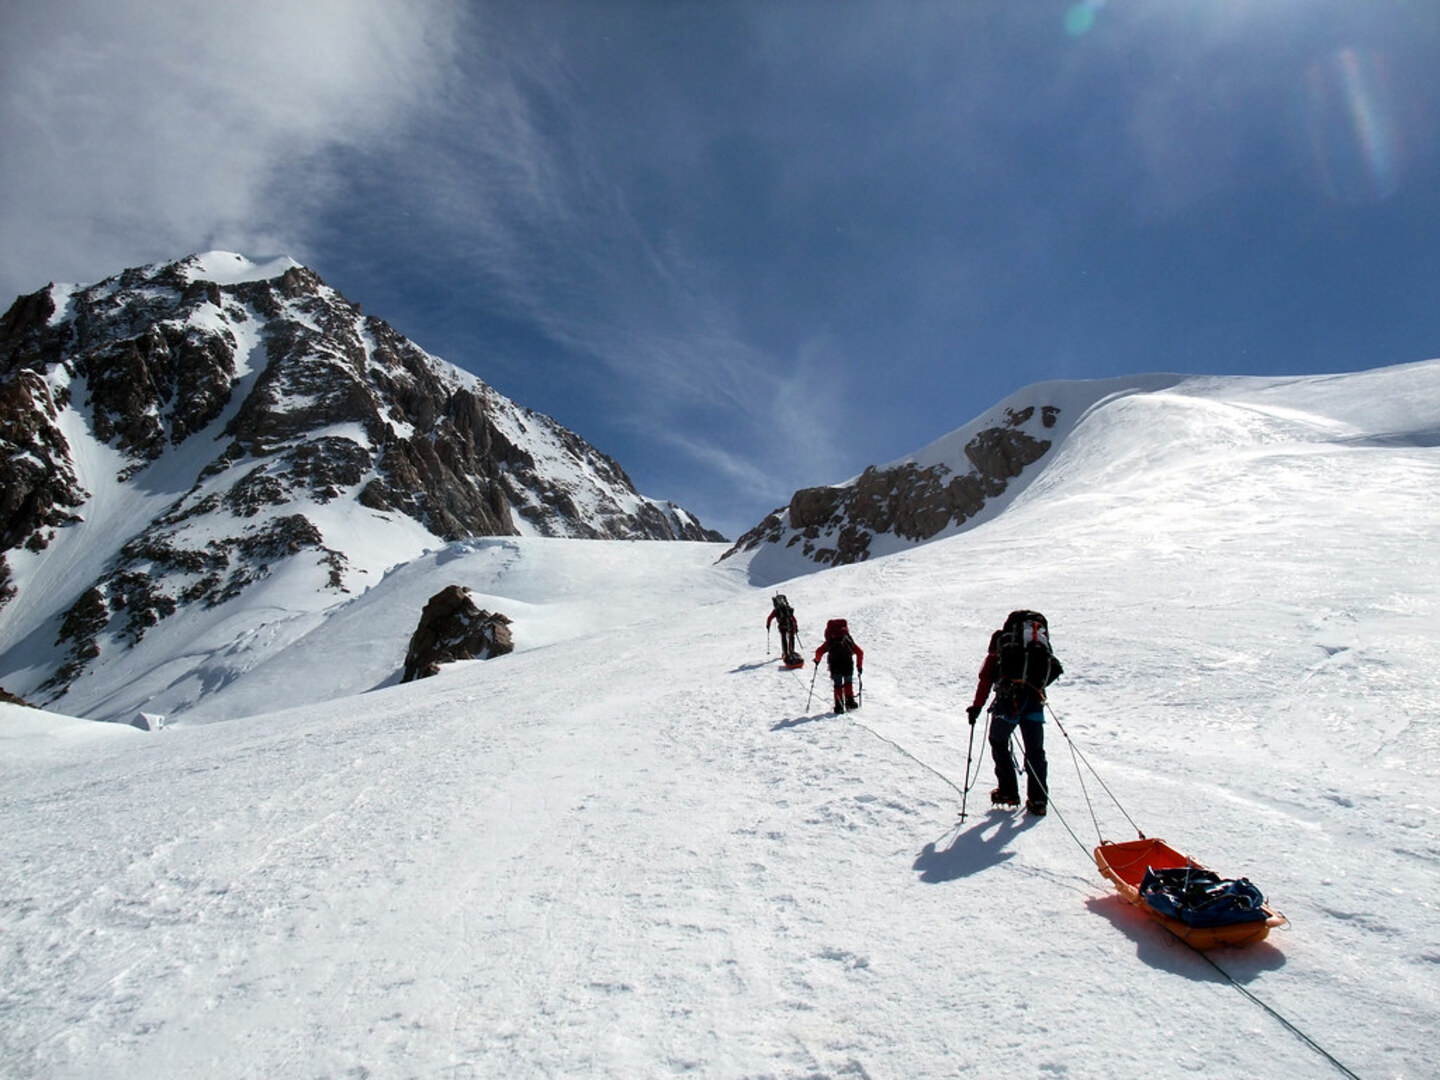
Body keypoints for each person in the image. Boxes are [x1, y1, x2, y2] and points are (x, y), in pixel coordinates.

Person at [965, 611, 1063, 815]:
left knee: (998, 741)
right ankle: (1038, 801)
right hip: (1035, 702)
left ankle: (1008, 791)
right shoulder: (1038, 647)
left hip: (1008, 703)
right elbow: (1052, 669)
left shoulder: (1002, 642)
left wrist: (977, 707)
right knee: (1035, 751)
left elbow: (985, 678)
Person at [814, 618, 863, 713]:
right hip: (848, 664)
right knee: (848, 682)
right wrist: (859, 666)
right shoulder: (848, 640)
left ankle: (839, 705)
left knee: (838, 685)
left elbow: (819, 651)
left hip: (835, 664)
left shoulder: (830, 641)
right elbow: (860, 652)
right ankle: (850, 701)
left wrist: (817, 660)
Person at [767, 594, 801, 666]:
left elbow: (769, 618)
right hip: (790, 624)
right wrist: (796, 626)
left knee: (784, 638)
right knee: (791, 637)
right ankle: (791, 651)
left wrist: (768, 625)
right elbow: (793, 618)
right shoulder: (787, 608)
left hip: (782, 625)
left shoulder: (776, 610)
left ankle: (785, 653)